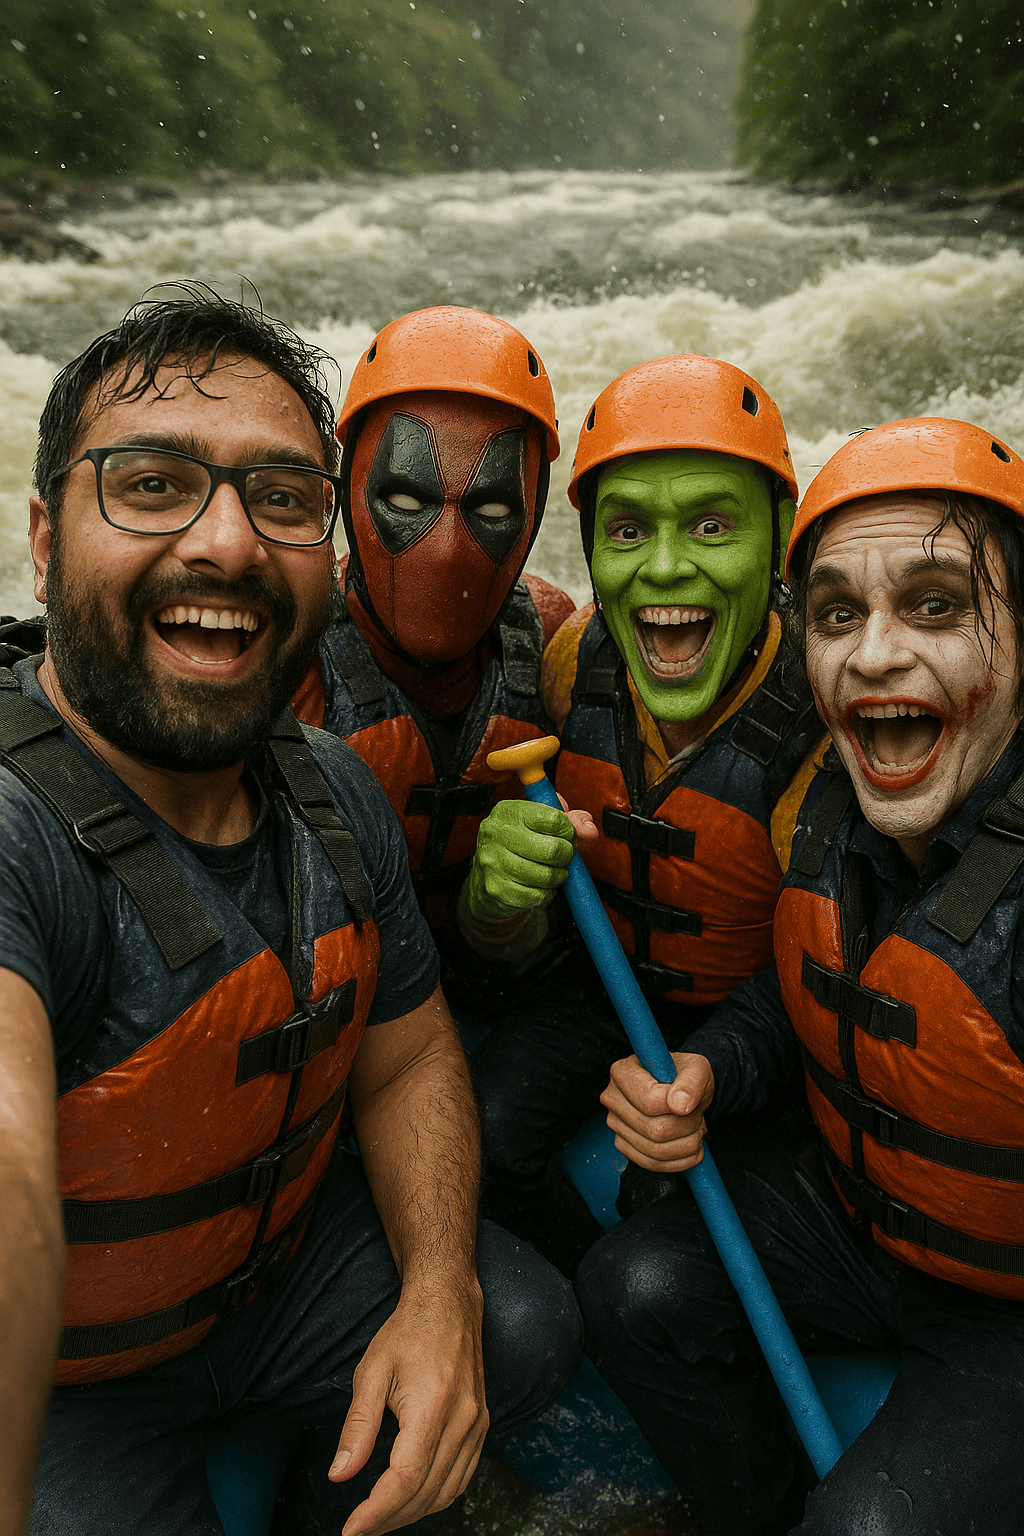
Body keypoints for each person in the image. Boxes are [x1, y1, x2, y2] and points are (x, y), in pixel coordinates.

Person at [0, 292, 580, 1536]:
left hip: (274, 1283)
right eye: (152, 485)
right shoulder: (15, 835)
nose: (227, 545)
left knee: (521, 1326)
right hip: (72, 1384)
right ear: (44, 541)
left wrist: (441, 1295)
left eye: (278, 498)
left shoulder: (332, 789)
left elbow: (410, 1055)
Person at [575, 417, 1024, 1535]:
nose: (871, 655)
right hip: (858, 1226)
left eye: (935, 606)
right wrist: (712, 1071)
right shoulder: (839, 792)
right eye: (835, 614)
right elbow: (812, 987)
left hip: (1004, 1314)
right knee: (633, 1287)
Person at [459, 355, 822, 1263]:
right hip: (603, 988)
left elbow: (829, 987)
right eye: (627, 530)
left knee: (659, 1219)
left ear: (781, 536)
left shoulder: (822, 726)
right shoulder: (568, 660)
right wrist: (496, 900)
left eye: (711, 526)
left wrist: (717, 1068)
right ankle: (570, 1296)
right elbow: (502, 944)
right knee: (483, 1133)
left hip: (750, 1016)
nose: (663, 568)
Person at [291, 306, 574, 971]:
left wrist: (499, 915)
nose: (446, 553)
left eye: (492, 508)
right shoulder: (286, 649)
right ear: (346, 495)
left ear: (534, 513)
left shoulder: (555, 637)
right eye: (407, 502)